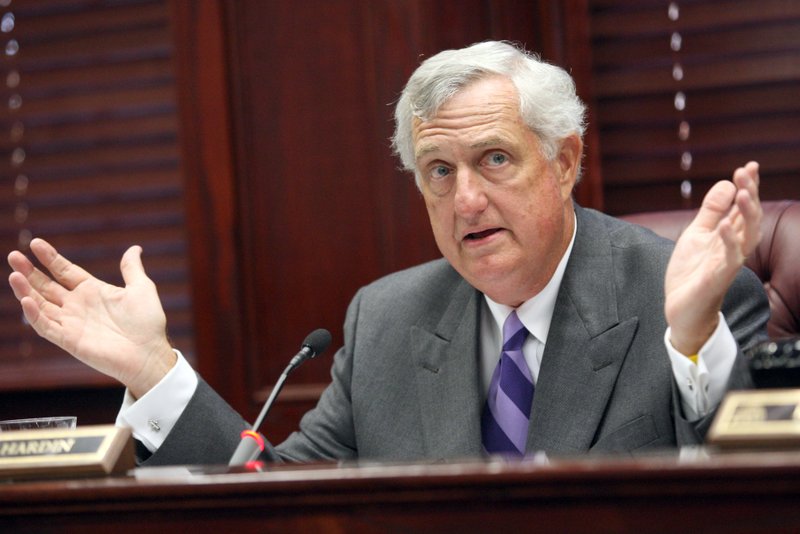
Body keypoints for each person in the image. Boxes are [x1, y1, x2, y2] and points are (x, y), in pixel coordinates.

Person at [7, 41, 768, 465]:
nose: (465, 198)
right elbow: (274, 496)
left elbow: (753, 487)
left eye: (495, 160)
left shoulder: (684, 294)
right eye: (440, 172)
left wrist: (695, 339)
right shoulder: (388, 319)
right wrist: (152, 372)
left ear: (565, 161)